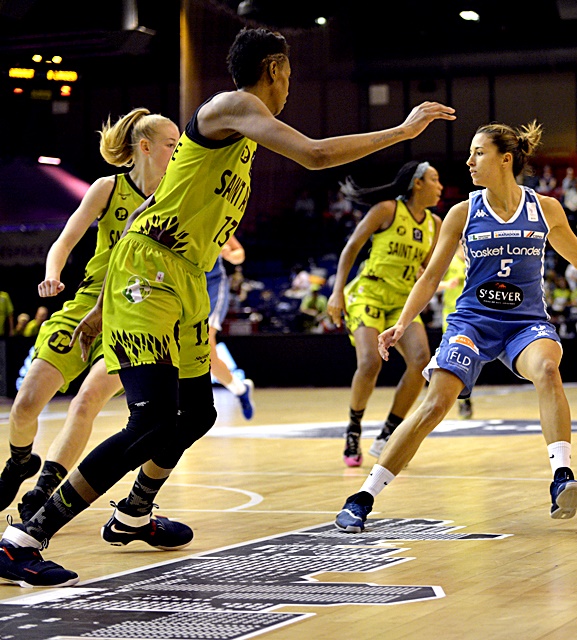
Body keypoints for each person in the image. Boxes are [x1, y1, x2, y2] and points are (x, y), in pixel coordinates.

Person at [0, 26, 454, 587]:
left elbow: (167, 210)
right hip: (149, 271)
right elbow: (315, 154)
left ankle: (133, 514)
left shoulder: (242, 134)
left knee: (197, 413)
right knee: (150, 420)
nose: (289, 84)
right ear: (274, 69)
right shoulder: (231, 106)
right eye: (288, 72)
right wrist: (404, 131)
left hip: (185, 276)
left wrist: (110, 301)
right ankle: (24, 539)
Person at [332, 120, 577, 533]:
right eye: (470, 153)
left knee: (548, 368)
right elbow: (431, 277)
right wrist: (402, 323)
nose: (469, 161)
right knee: (435, 404)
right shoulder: (462, 213)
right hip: (473, 322)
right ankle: (363, 496)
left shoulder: (545, 208)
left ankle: (562, 477)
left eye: (479, 153)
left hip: (525, 323)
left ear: (505, 159)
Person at [0, 109, 179, 526]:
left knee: (86, 401)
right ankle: (20, 461)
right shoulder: (108, 188)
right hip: (87, 301)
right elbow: (64, 242)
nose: (178, 151)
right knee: (25, 404)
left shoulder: (177, 195)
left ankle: (44, 490)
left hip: (137, 315)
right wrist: (52, 275)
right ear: (145, 147)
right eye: (171, 144)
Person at [327, 161, 444, 466]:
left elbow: (427, 268)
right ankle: (353, 429)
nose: (440, 186)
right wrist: (337, 291)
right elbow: (351, 247)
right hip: (369, 292)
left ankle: (388, 433)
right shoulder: (387, 210)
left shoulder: (435, 224)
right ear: (417, 183)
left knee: (421, 361)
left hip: (402, 300)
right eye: (434, 179)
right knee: (370, 362)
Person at [206, 236, 255, 419]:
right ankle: (240, 389)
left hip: (212, 284)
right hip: (183, 284)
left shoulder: (213, 221)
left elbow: (239, 253)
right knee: (203, 356)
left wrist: (228, 255)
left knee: (204, 342)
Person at [436, 241, 472, 418]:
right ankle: (462, 401)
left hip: (471, 314)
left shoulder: (474, 261)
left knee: (468, 356)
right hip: (451, 315)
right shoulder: (450, 262)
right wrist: (447, 284)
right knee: (454, 356)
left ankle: (464, 396)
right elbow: (432, 284)